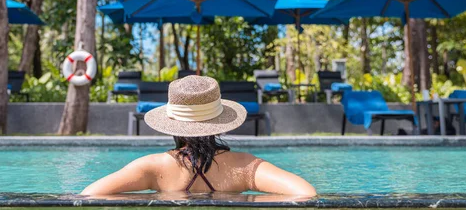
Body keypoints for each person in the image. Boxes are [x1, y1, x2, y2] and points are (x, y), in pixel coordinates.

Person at [81, 76, 316, 197]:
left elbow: (88, 195)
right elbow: (306, 193)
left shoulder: (152, 168)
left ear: (171, 123)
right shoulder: (245, 166)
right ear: (220, 122)